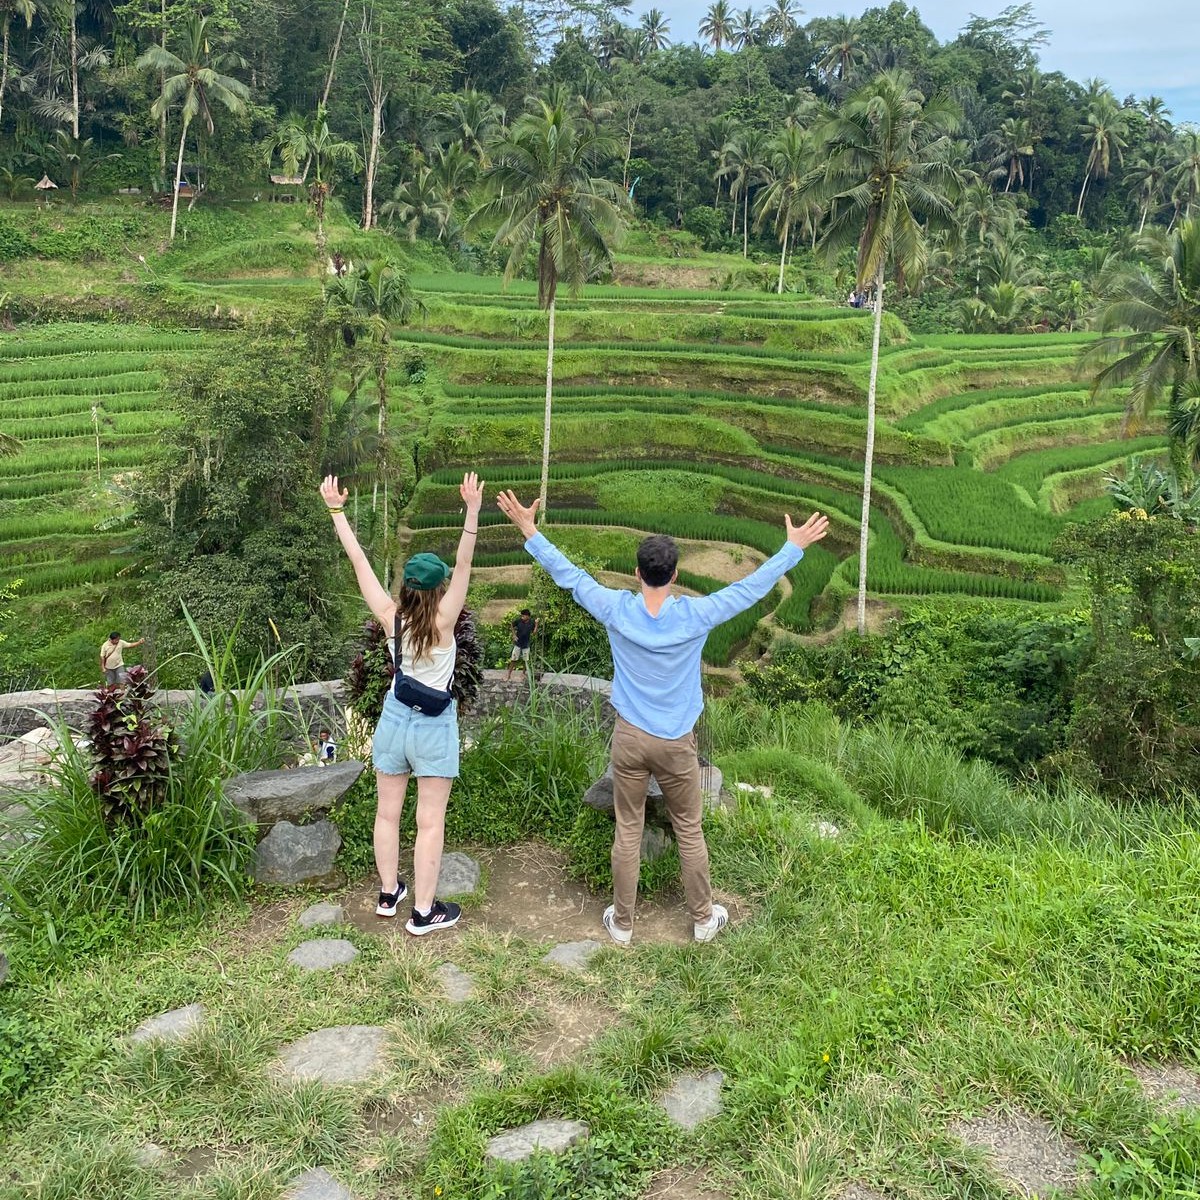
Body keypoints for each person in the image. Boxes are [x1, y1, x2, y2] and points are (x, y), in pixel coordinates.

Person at [496, 490, 829, 945]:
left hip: (630, 739)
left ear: (637, 573)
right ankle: (703, 918)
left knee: (628, 827)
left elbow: (570, 577)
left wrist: (529, 530)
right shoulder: (695, 615)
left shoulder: (616, 608)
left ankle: (624, 923)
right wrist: (793, 548)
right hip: (677, 742)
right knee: (689, 829)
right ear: (674, 575)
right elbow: (749, 590)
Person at [321, 471, 483, 935]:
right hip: (434, 725)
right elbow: (466, 564)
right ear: (437, 591)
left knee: (386, 813)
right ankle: (424, 913)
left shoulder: (392, 618)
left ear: (408, 588)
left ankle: (390, 893)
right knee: (429, 822)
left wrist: (337, 511)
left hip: (394, 720)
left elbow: (359, 563)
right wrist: (471, 510)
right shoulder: (446, 620)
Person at [506, 608, 539, 680]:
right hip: (518, 643)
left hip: (526, 644)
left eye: (523, 616)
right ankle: (508, 674)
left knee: (525, 660)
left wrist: (536, 624)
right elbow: (511, 624)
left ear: (528, 616)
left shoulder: (532, 622)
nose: (522, 617)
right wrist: (514, 635)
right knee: (513, 659)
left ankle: (523, 674)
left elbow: (534, 633)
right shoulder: (519, 621)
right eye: (521, 616)